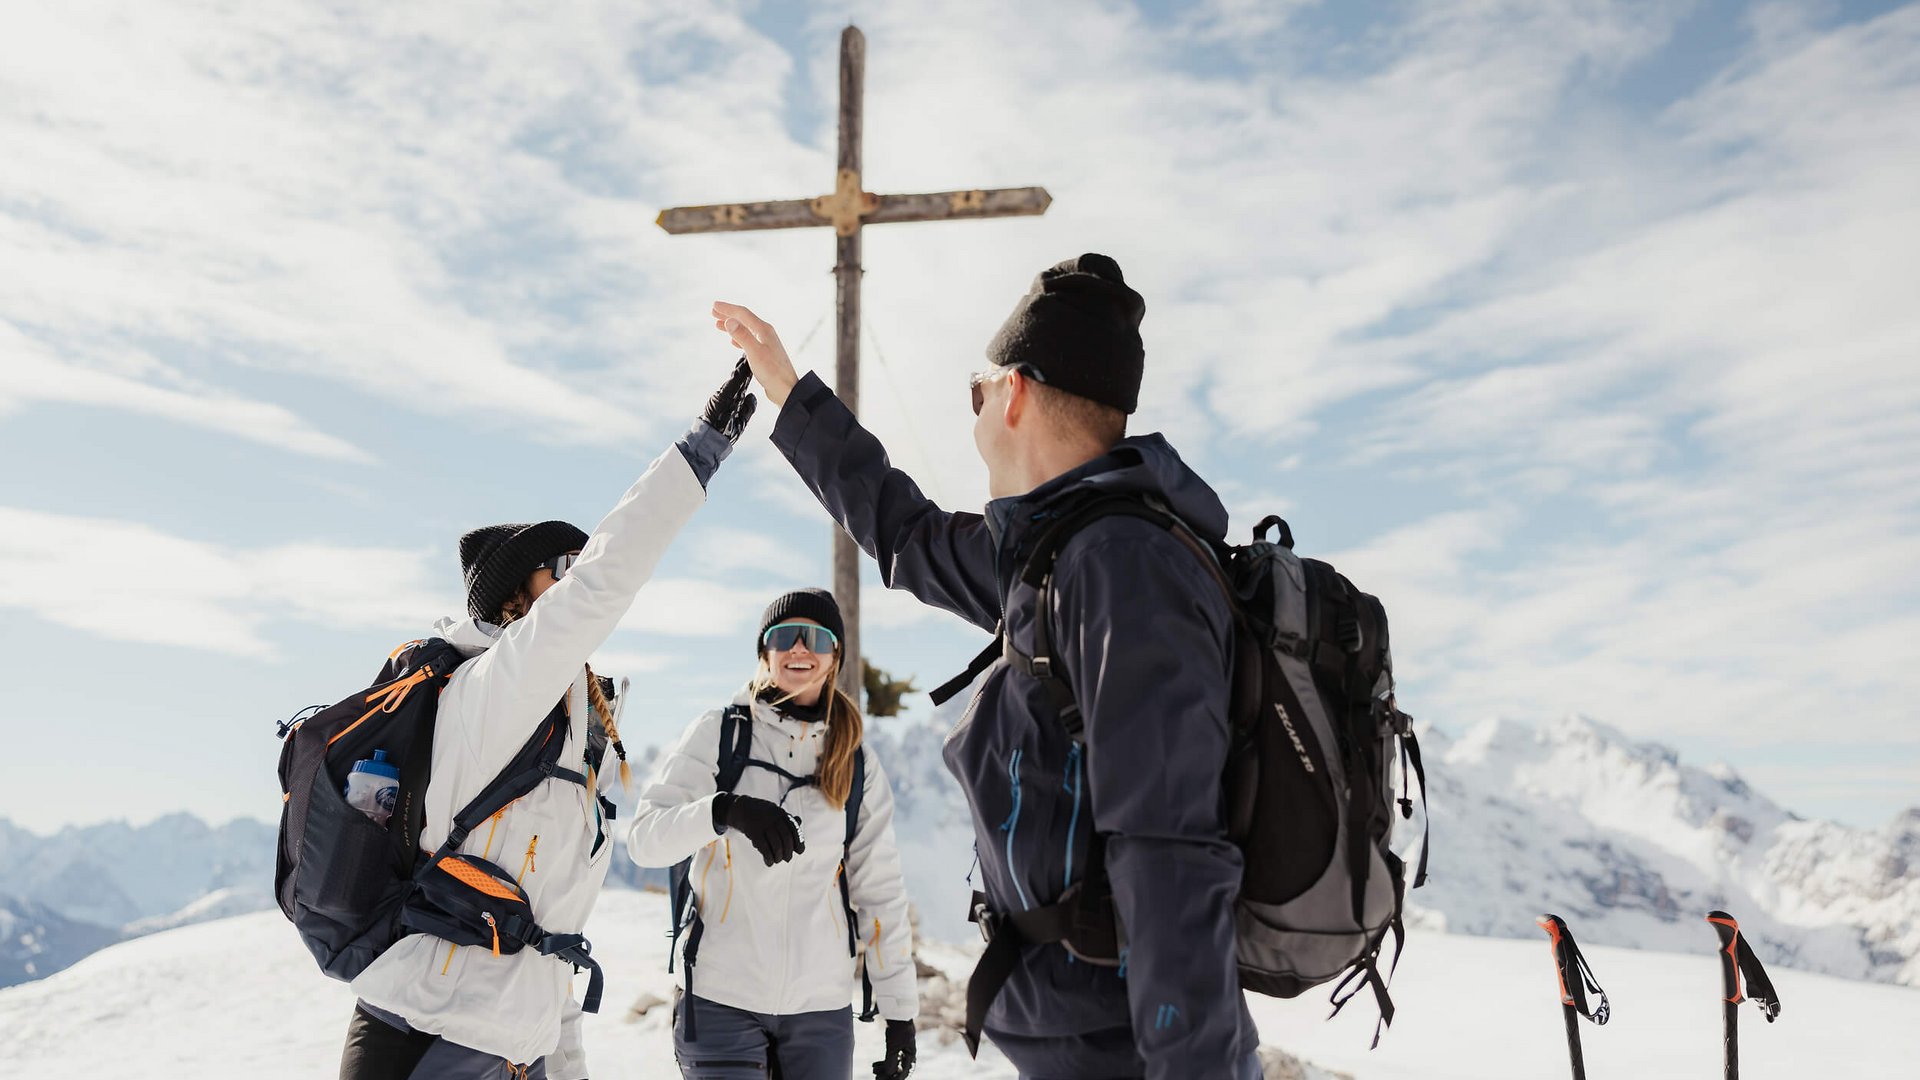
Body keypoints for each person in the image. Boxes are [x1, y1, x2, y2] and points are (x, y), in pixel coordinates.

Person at [710, 255, 1262, 1079]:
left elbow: (1171, 851)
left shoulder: (1121, 567)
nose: (973, 415)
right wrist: (792, 397)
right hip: (1078, 1037)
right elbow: (906, 533)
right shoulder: (1058, 555)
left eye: (977, 389)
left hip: (1119, 1050)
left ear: (1015, 393)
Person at [339, 362, 759, 1080]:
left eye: (575, 561)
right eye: (560, 566)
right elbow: (603, 582)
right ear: (514, 602)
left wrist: (563, 1062)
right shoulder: (492, 688)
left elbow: (550, 929)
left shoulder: (570, 737)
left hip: (509, 1046)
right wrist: (696, 455)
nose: (574, 573)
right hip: (421, 1035)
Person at [628, 588, 920, 1080]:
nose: (799, 648)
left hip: (820, 1008)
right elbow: (645, 839)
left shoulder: (855, 762)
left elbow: (881, 893)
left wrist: (900, 1014)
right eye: (785, 636)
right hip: (720, 998)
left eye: (816, 638)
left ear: (835, 656)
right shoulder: (720, 734)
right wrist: (724, 810)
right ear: (765, 652)